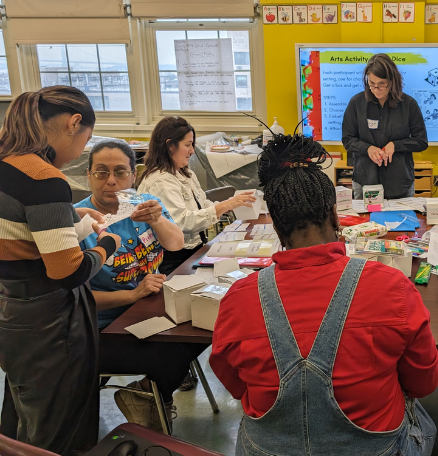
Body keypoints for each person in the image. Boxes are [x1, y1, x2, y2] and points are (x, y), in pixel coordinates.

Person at [209, 134, 438, 456]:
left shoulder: (238, 299)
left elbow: (236, 386)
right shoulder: (392, 287)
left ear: (275, 225)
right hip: (373, 448)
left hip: (268, 449)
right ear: (334, 214)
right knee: (423, 424)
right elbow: (422, 384)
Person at [0, 86, 121, 454]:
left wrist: (72, 218)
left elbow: (22, 233)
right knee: (59, 428)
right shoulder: (44, 178)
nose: (82, 149)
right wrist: (107, 246)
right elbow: (68, 271)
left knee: (25, 417)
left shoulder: (7, 163)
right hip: (50, 324)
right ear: (73, 123)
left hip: (12, 312)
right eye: (85, 140)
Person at [75, 139, 208, 432]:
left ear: (133, 176)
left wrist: (157, 219)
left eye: (120, 172)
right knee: (170, 354)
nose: (111, 181)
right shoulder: (79, 221)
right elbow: (77, 297)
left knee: (206, 326)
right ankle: (151, 397)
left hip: (148, 311)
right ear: (88, 175)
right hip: (103, 328)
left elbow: (174, 244)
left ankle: (150, 393)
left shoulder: (144, 204)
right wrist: (132, 294)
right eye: (101, 172)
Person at [136, 116, 256, 275]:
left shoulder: (185, 174)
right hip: (173, 259)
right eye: (187, 145)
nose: (192, 150)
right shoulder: (160, 182)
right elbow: (183, 222)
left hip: (194, 250)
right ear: (170, 146)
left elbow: (203, 205)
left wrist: (231, 205)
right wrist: (225, 205)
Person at [342, 53, 428, 200]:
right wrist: (367, 148)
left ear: (393, 81)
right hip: (365, 180)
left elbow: (421, 141)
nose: (376, 89)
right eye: (372, 84)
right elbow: (348, 140)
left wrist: (396, 145)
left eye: (382, 84)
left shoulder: (408, 104)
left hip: (399, 182)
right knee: (365, 222)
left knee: (401, 222)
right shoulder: (357, 103)